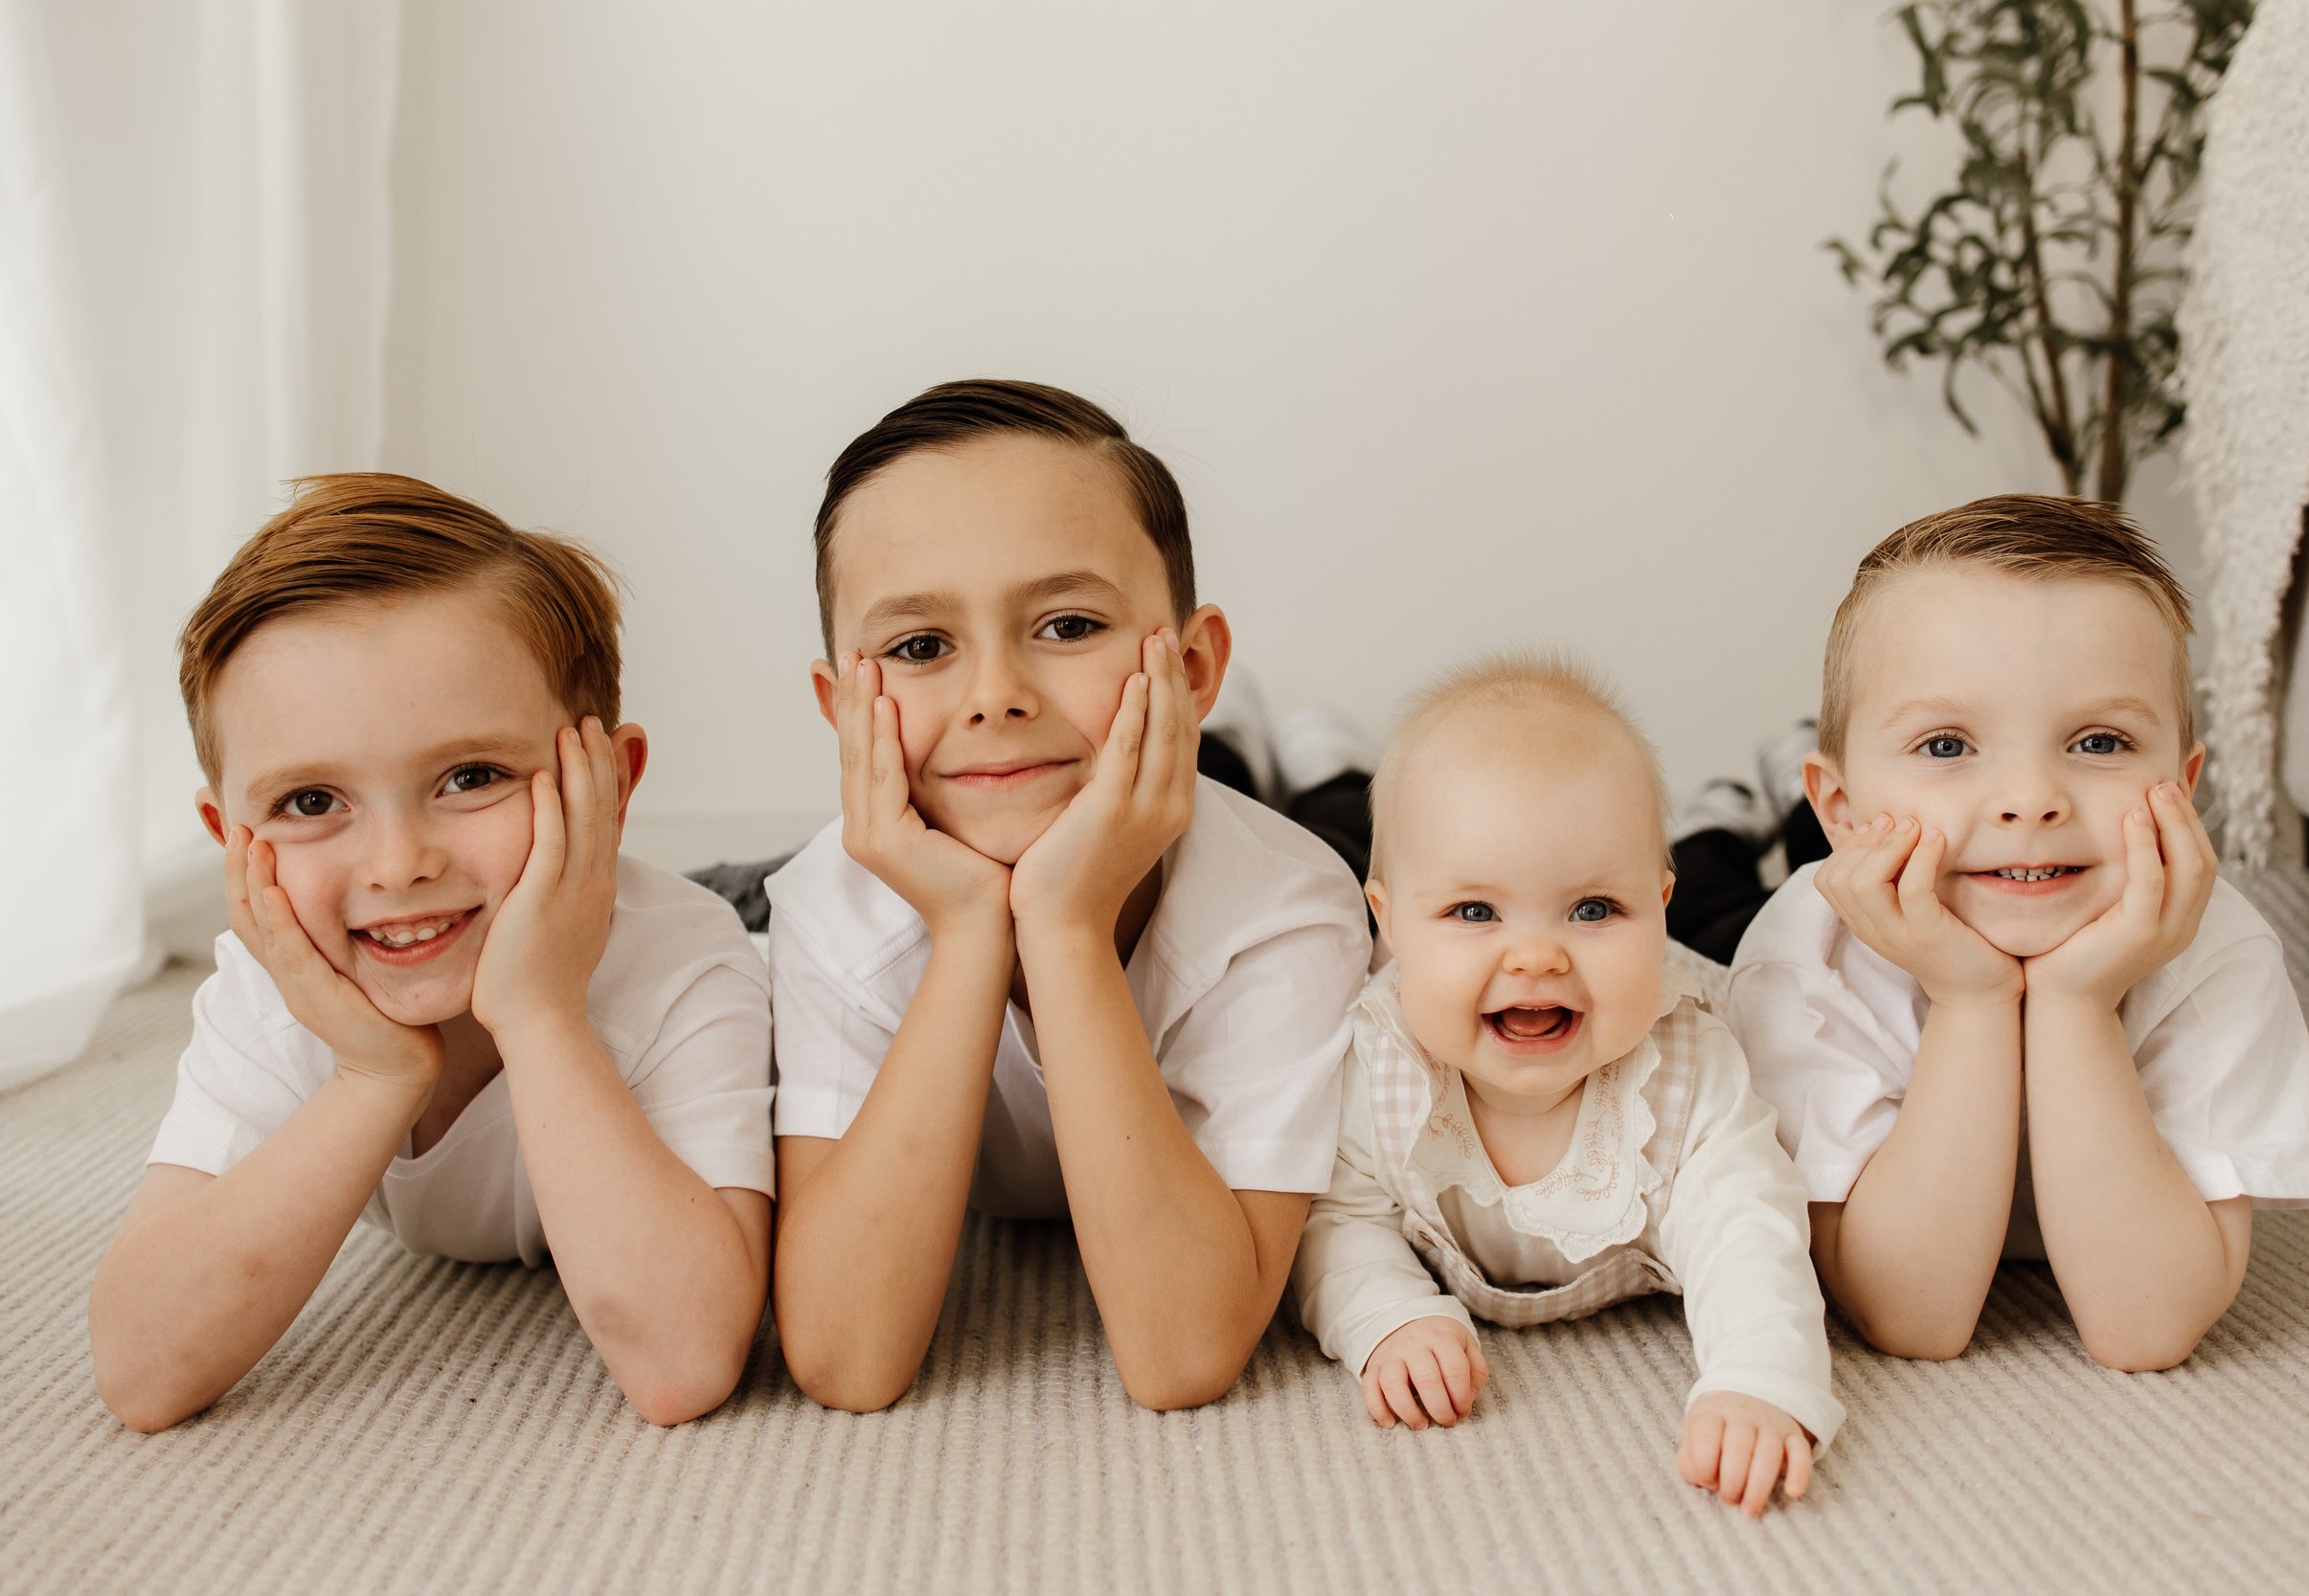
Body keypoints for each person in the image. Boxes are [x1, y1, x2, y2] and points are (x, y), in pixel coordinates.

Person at [88, 475, 775, 1431]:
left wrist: (540, 1016)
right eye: (312, 801)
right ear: (228, 834)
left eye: (470, 776)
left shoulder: (689, 965)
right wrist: (372, 1074)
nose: (399, 863)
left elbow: (681, 1359)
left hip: (749, 919)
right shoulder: (271, 980)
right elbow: (143, 1369)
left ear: (609, 784)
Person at [765, 380, 1372, 1412]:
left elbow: (1182, 1352)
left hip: (1241, 824)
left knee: (1383, 835)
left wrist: (1068, 924)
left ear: (1188, 665)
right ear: (841, 706)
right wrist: (967, 929)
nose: (995, 693)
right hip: (1028, 796)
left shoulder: (1287, 908)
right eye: (921, 647)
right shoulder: (828, 905)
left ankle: (1313, 756)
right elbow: (845, 1358)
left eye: (1067, 623)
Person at [1724, 495, 2309, 1369]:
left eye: (2098, 741)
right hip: (1848, 889)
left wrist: (2075, 1001)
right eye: (1946, 745)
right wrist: (1970, 999)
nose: (2030, 796)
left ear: (2184, 784)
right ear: (1844, 805)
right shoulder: (1804, 956)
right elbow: (1912, 1316)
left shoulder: (2216, 950)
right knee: (1697, 903)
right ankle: (1739, 816)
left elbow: (2147, 1327)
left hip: (1968, 863)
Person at [1291, 654, 1841, 1517]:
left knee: (1765, 911)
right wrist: (1389, 1316)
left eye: (1593, 909)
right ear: (1387, 924)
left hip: (1725, 941)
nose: (1537, 954)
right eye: (1475, 912)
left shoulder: (1688, 1066)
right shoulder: (1382, 1057)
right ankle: (1308, 758)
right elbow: (1336, 1215)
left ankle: (1724, 826)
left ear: (1657, 910)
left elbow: (1749, 1227)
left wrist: (1760, 1376)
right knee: (1314, 829)